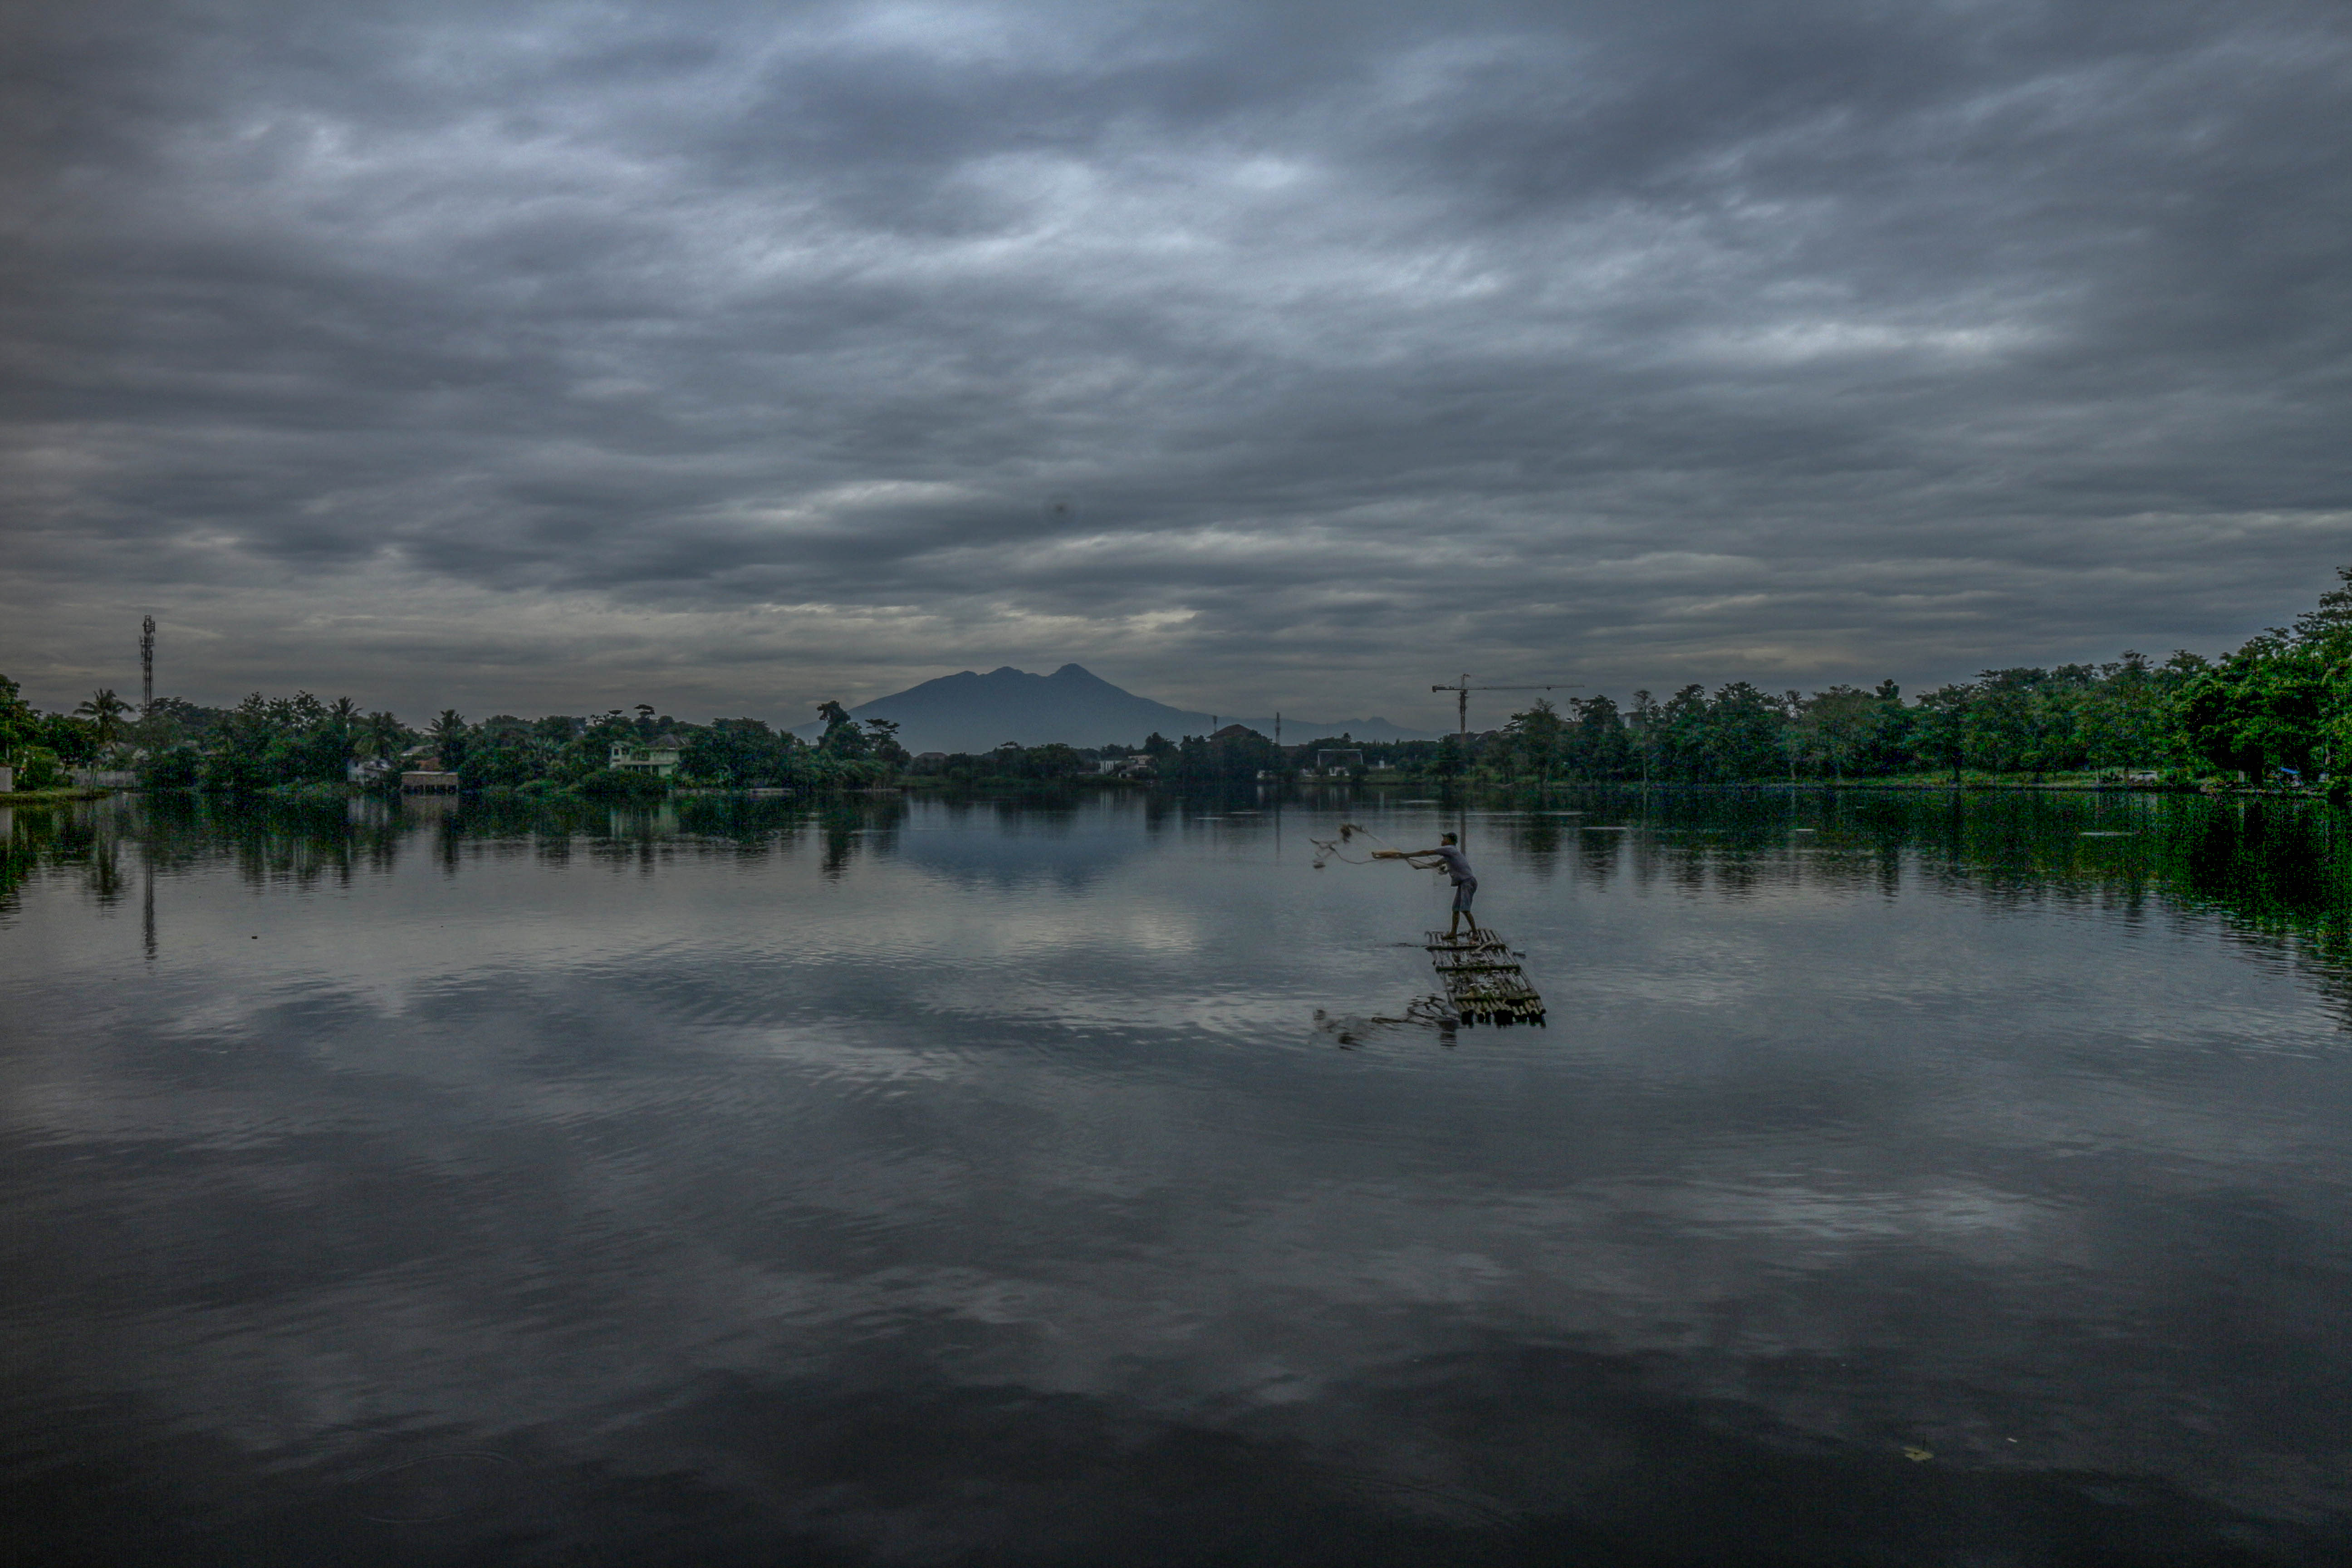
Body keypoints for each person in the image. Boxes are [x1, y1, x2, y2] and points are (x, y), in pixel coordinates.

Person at [1375, 832, 1478, 938]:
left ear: (1450, 841)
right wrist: (1420, 867)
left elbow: (1425, 853)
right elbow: (1436, 864)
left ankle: (1475, 933)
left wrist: (1406, 855)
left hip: (1468, 882)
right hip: (1464, 883)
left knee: (1465, 909)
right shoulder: (1449, 854)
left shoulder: (1449, 849)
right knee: (1456, 909)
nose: (1442, 841)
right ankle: (1453, 934)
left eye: (1444, 839)